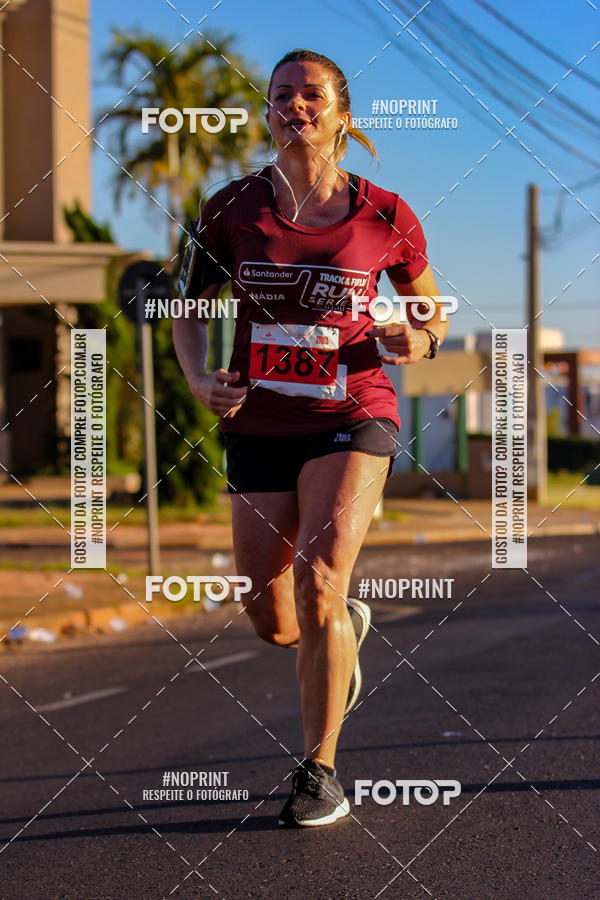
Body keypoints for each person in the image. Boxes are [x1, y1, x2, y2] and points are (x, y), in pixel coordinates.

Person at [173, 48, 448, 828]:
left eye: (312, 94)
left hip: (353, 414)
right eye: (282, 94)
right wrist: (199, 380)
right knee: (271, 616)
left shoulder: (385, 213)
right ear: (268, 112)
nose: (296, 105)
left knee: (320, 578)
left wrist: (420, 338)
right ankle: (340, 632)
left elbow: (431, 309)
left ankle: (319, 772)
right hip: (258, 422)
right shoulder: (230, 207)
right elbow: (189, 311)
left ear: (342, 114)